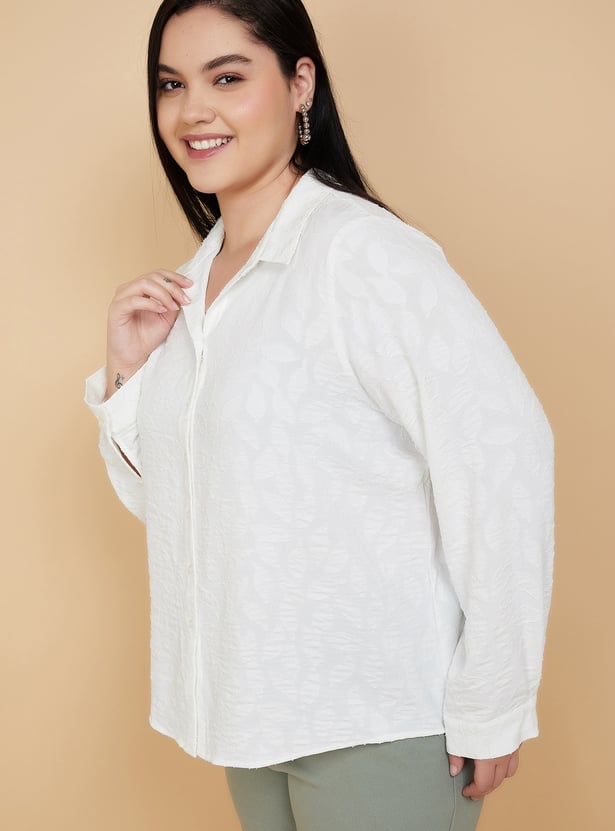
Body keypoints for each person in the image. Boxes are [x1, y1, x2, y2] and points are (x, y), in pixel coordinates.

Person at [84, 1, 555, 829]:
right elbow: (182, 510)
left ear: (300, 83)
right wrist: (129, 375)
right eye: (172, 84)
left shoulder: (363, 256)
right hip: (248, 711)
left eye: (227, 77)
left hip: (379, 715)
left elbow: (501, 457)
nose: (193, 111)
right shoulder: (196, 292)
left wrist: (495, 694)